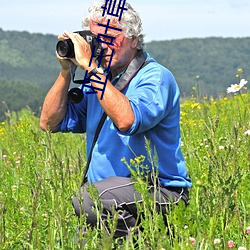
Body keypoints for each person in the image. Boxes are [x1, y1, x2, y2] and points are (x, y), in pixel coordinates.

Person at [40, 0, 192, 244]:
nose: (101, 45)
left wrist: (91, 68)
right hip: (110, 199)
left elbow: (127, 120)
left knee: (88, 200)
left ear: (133, 39)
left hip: (160, 192)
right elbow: (49, 123)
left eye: (110, 37)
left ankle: (147, 241)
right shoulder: (99, 80)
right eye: (95, 37)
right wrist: (66, 71)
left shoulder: (155, 77)